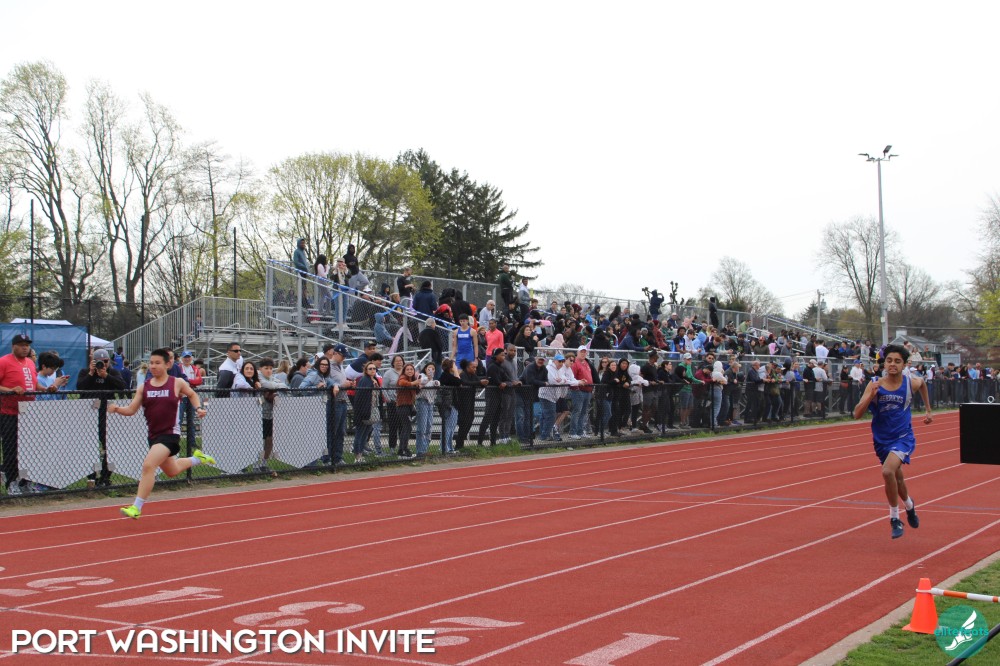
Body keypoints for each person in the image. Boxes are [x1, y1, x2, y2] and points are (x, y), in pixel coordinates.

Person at [110, 349, 215, 518]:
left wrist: (199, 408)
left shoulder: (176, 383)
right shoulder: (144, 387)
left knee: (148, 465)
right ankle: (198, 458)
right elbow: (131, 410)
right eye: (151, 363)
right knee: (172, 470)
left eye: (157, 363)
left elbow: (192, 394)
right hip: (153, 436)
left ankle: (136, 507)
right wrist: (116, 409)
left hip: (170, 434)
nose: (153, 366)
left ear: (168, 364)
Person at [853, 344, 932, 539]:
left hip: (903, 437)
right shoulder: (875, 384)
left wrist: (928, 410)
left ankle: (894, 518)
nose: (892, 364)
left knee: (887, 471)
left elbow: (922, 383)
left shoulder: (910, 383)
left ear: (905, 364)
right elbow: (856, 414)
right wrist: (870, 397)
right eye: (889, 361)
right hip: (881, 439)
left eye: (897, 361)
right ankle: (910, 506)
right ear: (884, 363)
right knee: (897, 478)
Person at [0, 334, 38, 494]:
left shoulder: (30, 362)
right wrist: (11, 390)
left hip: (28, 413)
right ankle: (11, 482)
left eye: (27, 345)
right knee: (11, 449)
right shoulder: (4, 361)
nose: (25, 347)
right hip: (9, 412)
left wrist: (48, 388)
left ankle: (25, 481)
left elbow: (34, 384)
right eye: (21, 345)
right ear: (13, 346)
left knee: (28, 450)